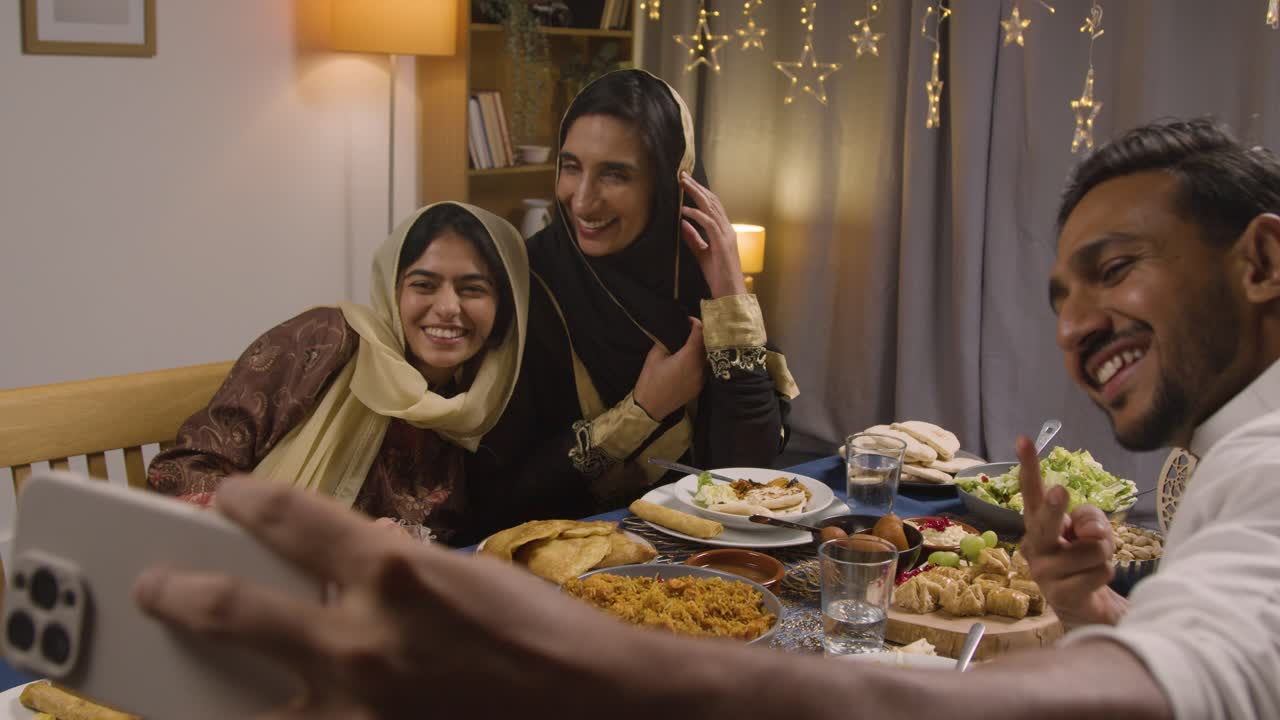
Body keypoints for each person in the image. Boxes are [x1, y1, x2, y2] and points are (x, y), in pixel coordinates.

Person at [136, 118, 1280, 718]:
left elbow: (752, 453)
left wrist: (729, 301)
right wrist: (1093, 611)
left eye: (1113, 272)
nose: (1073, 326)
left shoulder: (1257, 461)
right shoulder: (446, 321)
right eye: (1060, 294)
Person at [469, 69, 799, 523]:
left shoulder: (700, 285)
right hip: (570, 548)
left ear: (667, 184)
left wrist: (730, 288)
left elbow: (749, 474)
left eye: (615, 174)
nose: (582, 201)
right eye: (571, 167)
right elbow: (500, 497)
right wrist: (642, 411)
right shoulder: (526, 285)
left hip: (701, 544)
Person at [146, 203, 529, 546]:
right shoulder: (327, 341)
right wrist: (300, 530)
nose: (447, 307)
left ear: (505, 306)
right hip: (259, 570)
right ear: (392, 289)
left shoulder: (486, 402)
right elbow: (180, 470)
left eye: (472, 289)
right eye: (424, 285)